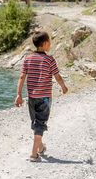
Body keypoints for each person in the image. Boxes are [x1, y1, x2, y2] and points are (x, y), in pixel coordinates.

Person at [15, 31, 68, 161]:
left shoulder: (28, 59)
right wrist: (63, 87)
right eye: (49, 42)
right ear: (44, 44)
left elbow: (22, 77)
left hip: (32, 97)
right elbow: (57, 76)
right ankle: (34, 154)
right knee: (40, 124)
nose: (50, 44)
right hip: (44, 98)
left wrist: (18, 95)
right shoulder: (49, 60)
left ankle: (40, 147)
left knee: (36, 122)